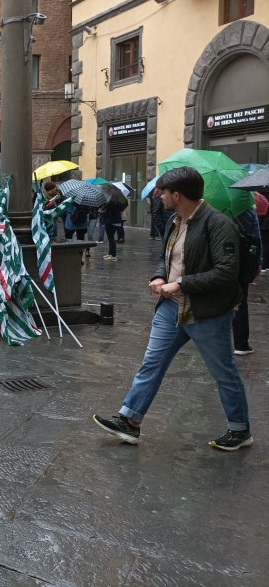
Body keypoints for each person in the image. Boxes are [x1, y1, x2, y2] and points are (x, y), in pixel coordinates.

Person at [92, 166, 252, 451]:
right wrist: (159, 276)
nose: (159, 196)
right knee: (151, 364)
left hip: (207, 312)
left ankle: (240, 430)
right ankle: (129, 421)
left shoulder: (218, 224)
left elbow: (226, 272)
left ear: (176, 195)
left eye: (163, 192)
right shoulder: (174, 220)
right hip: (170, 309)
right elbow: (166, 259)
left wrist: (180, 284)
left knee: (224, 372)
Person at [232, 207, 261, 356]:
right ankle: (241, 344)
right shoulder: (247, 210)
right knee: (241, 301)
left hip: (216, 261)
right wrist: (258, 261)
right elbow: (257, 238)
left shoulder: (211, 209)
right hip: (243, 260)